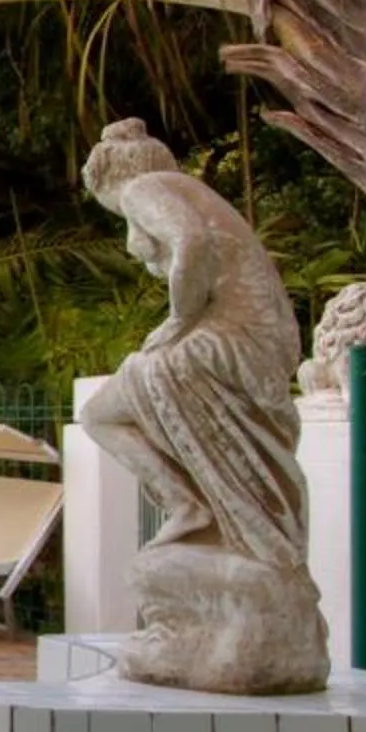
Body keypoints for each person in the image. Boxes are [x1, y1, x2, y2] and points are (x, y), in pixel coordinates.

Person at [77, 119, 310, 568]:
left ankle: (188, 505)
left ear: (106, 179)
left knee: (101, 414)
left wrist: (179, 319)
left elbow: (191, 240)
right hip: (249, 337)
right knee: (102, 413)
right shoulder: (184, 189)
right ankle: (190, 505)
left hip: (225, 339)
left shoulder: (141, 189)